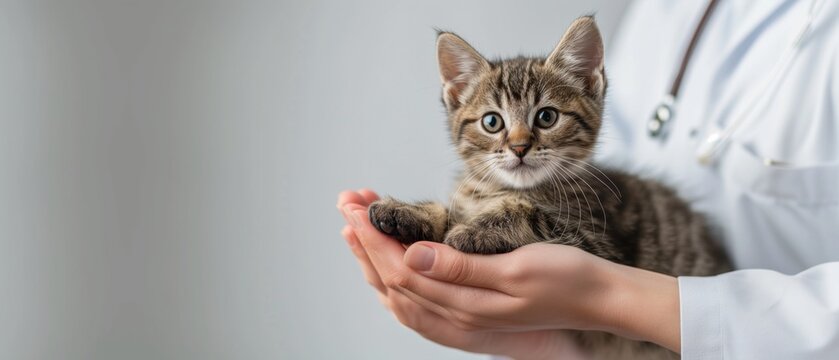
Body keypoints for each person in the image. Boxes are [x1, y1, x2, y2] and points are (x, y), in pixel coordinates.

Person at [337, 1, 839, 359]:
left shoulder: (588, 197)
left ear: (589, 85)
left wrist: (595, 294)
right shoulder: (664, 13)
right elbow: (472, 232)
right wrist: (528, 341)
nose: (518, 143)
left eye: (545, 117)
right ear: (455, 101)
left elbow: (564, 246)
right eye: (493, 122)